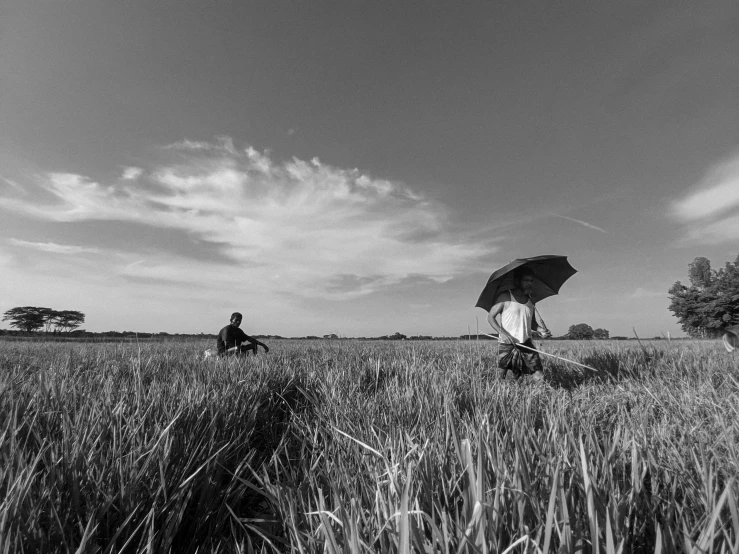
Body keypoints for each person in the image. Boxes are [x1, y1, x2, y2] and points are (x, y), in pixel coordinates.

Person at [487, 267, 551, 380]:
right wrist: (502, 333)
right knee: (500, 376)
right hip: (507, 343)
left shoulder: (530, 300)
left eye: (531, 281)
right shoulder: (505, 296)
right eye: (526, 280)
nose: (529, 283)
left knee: (539, 375)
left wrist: (541, 330)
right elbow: (491, 317)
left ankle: (541, 395)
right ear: (517, 281)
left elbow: (532, 323)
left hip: (526, 343)